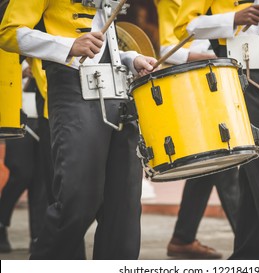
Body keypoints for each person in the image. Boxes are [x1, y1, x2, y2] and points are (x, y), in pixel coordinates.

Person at [0, 0, 158, 259]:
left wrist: (131, 59)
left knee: (124, 208)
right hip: (73, 88)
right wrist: (68, 45)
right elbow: (7, 32)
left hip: (117, 91)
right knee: (78, 200)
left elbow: (104, 42)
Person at [175, 0, 259, 259]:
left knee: (255, 176)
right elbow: (188, 27)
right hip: (238, 76)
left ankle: (247, 256)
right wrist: (234, 18)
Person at [154, 0, 240, 259]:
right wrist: (213, 57)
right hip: (193, 82)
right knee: (225, 157)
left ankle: (183, 238)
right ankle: (251, 244)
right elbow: (168, 50)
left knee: (209, 162)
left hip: (213, 78)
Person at [0, 61, 48, 254]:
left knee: (41, 180)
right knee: (22, 173)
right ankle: (1, 224)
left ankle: (37, 238)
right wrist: (22, 73)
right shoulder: (13, 44)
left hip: (46, 116)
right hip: (18, 116)